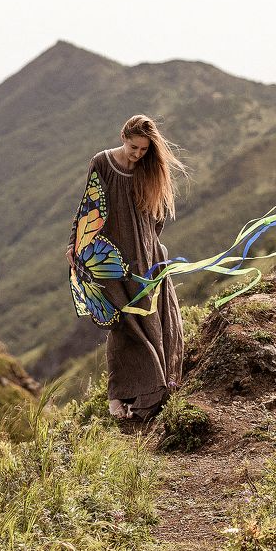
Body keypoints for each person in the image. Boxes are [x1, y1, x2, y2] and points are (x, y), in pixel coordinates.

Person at [66, 114, 188, 420]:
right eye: (134, 147)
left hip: (144, 259)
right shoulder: (102, 163)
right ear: (123, 137)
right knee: (121, 323)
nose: (138, 154)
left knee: (150, 321)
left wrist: (149, 247)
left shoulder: (149, 168)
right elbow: (88, 207)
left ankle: (150, 389)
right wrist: (75, 245)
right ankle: (118, 395)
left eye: (144, 150)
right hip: (109, 259)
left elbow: (157, 217)